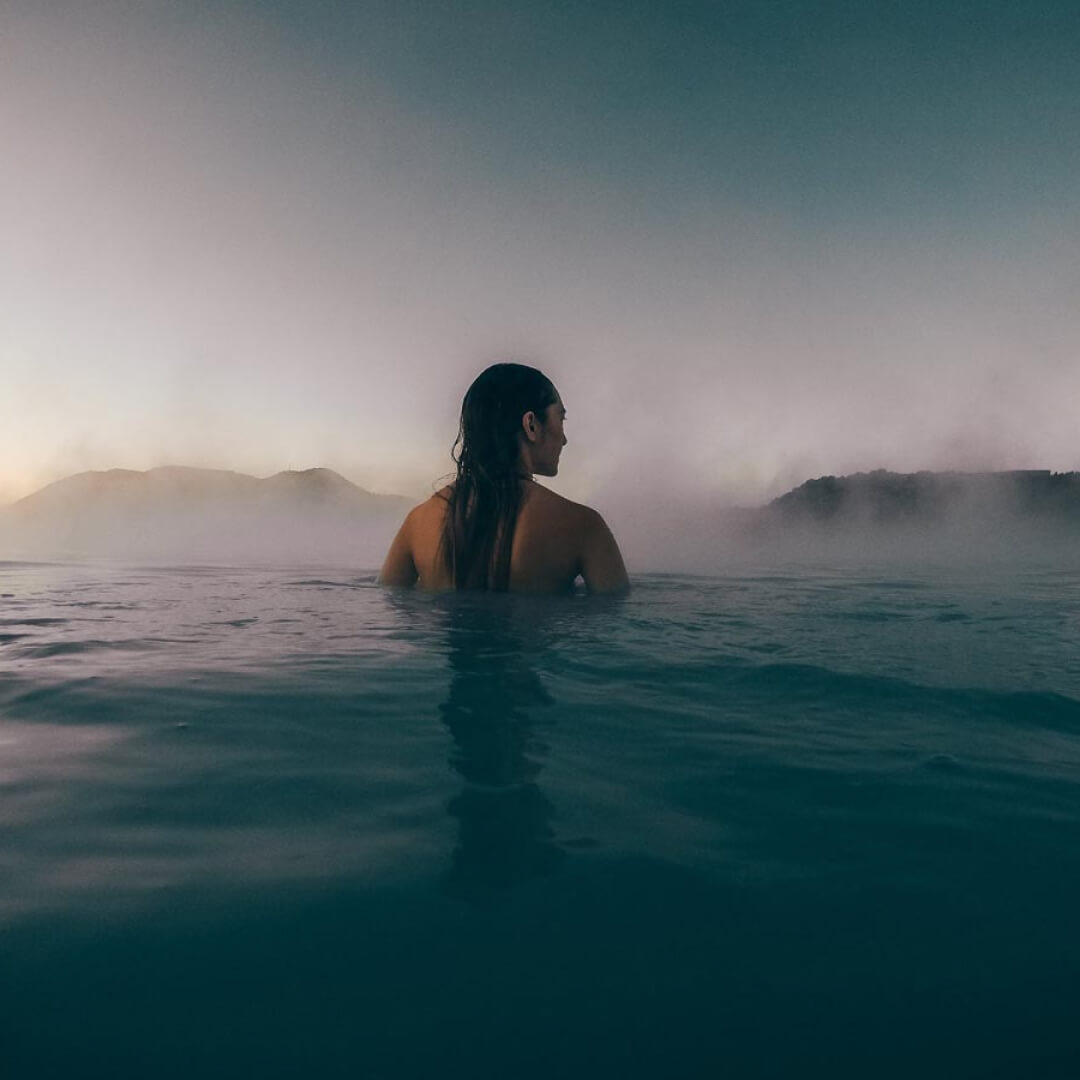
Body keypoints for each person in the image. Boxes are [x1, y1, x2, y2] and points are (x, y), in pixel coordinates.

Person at [378, 363, 629, 593]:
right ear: (531, 425)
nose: (564, 439)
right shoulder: (583, 526)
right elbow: (617, 624)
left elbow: (386, 604)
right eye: (560, 418)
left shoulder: (417, 522)